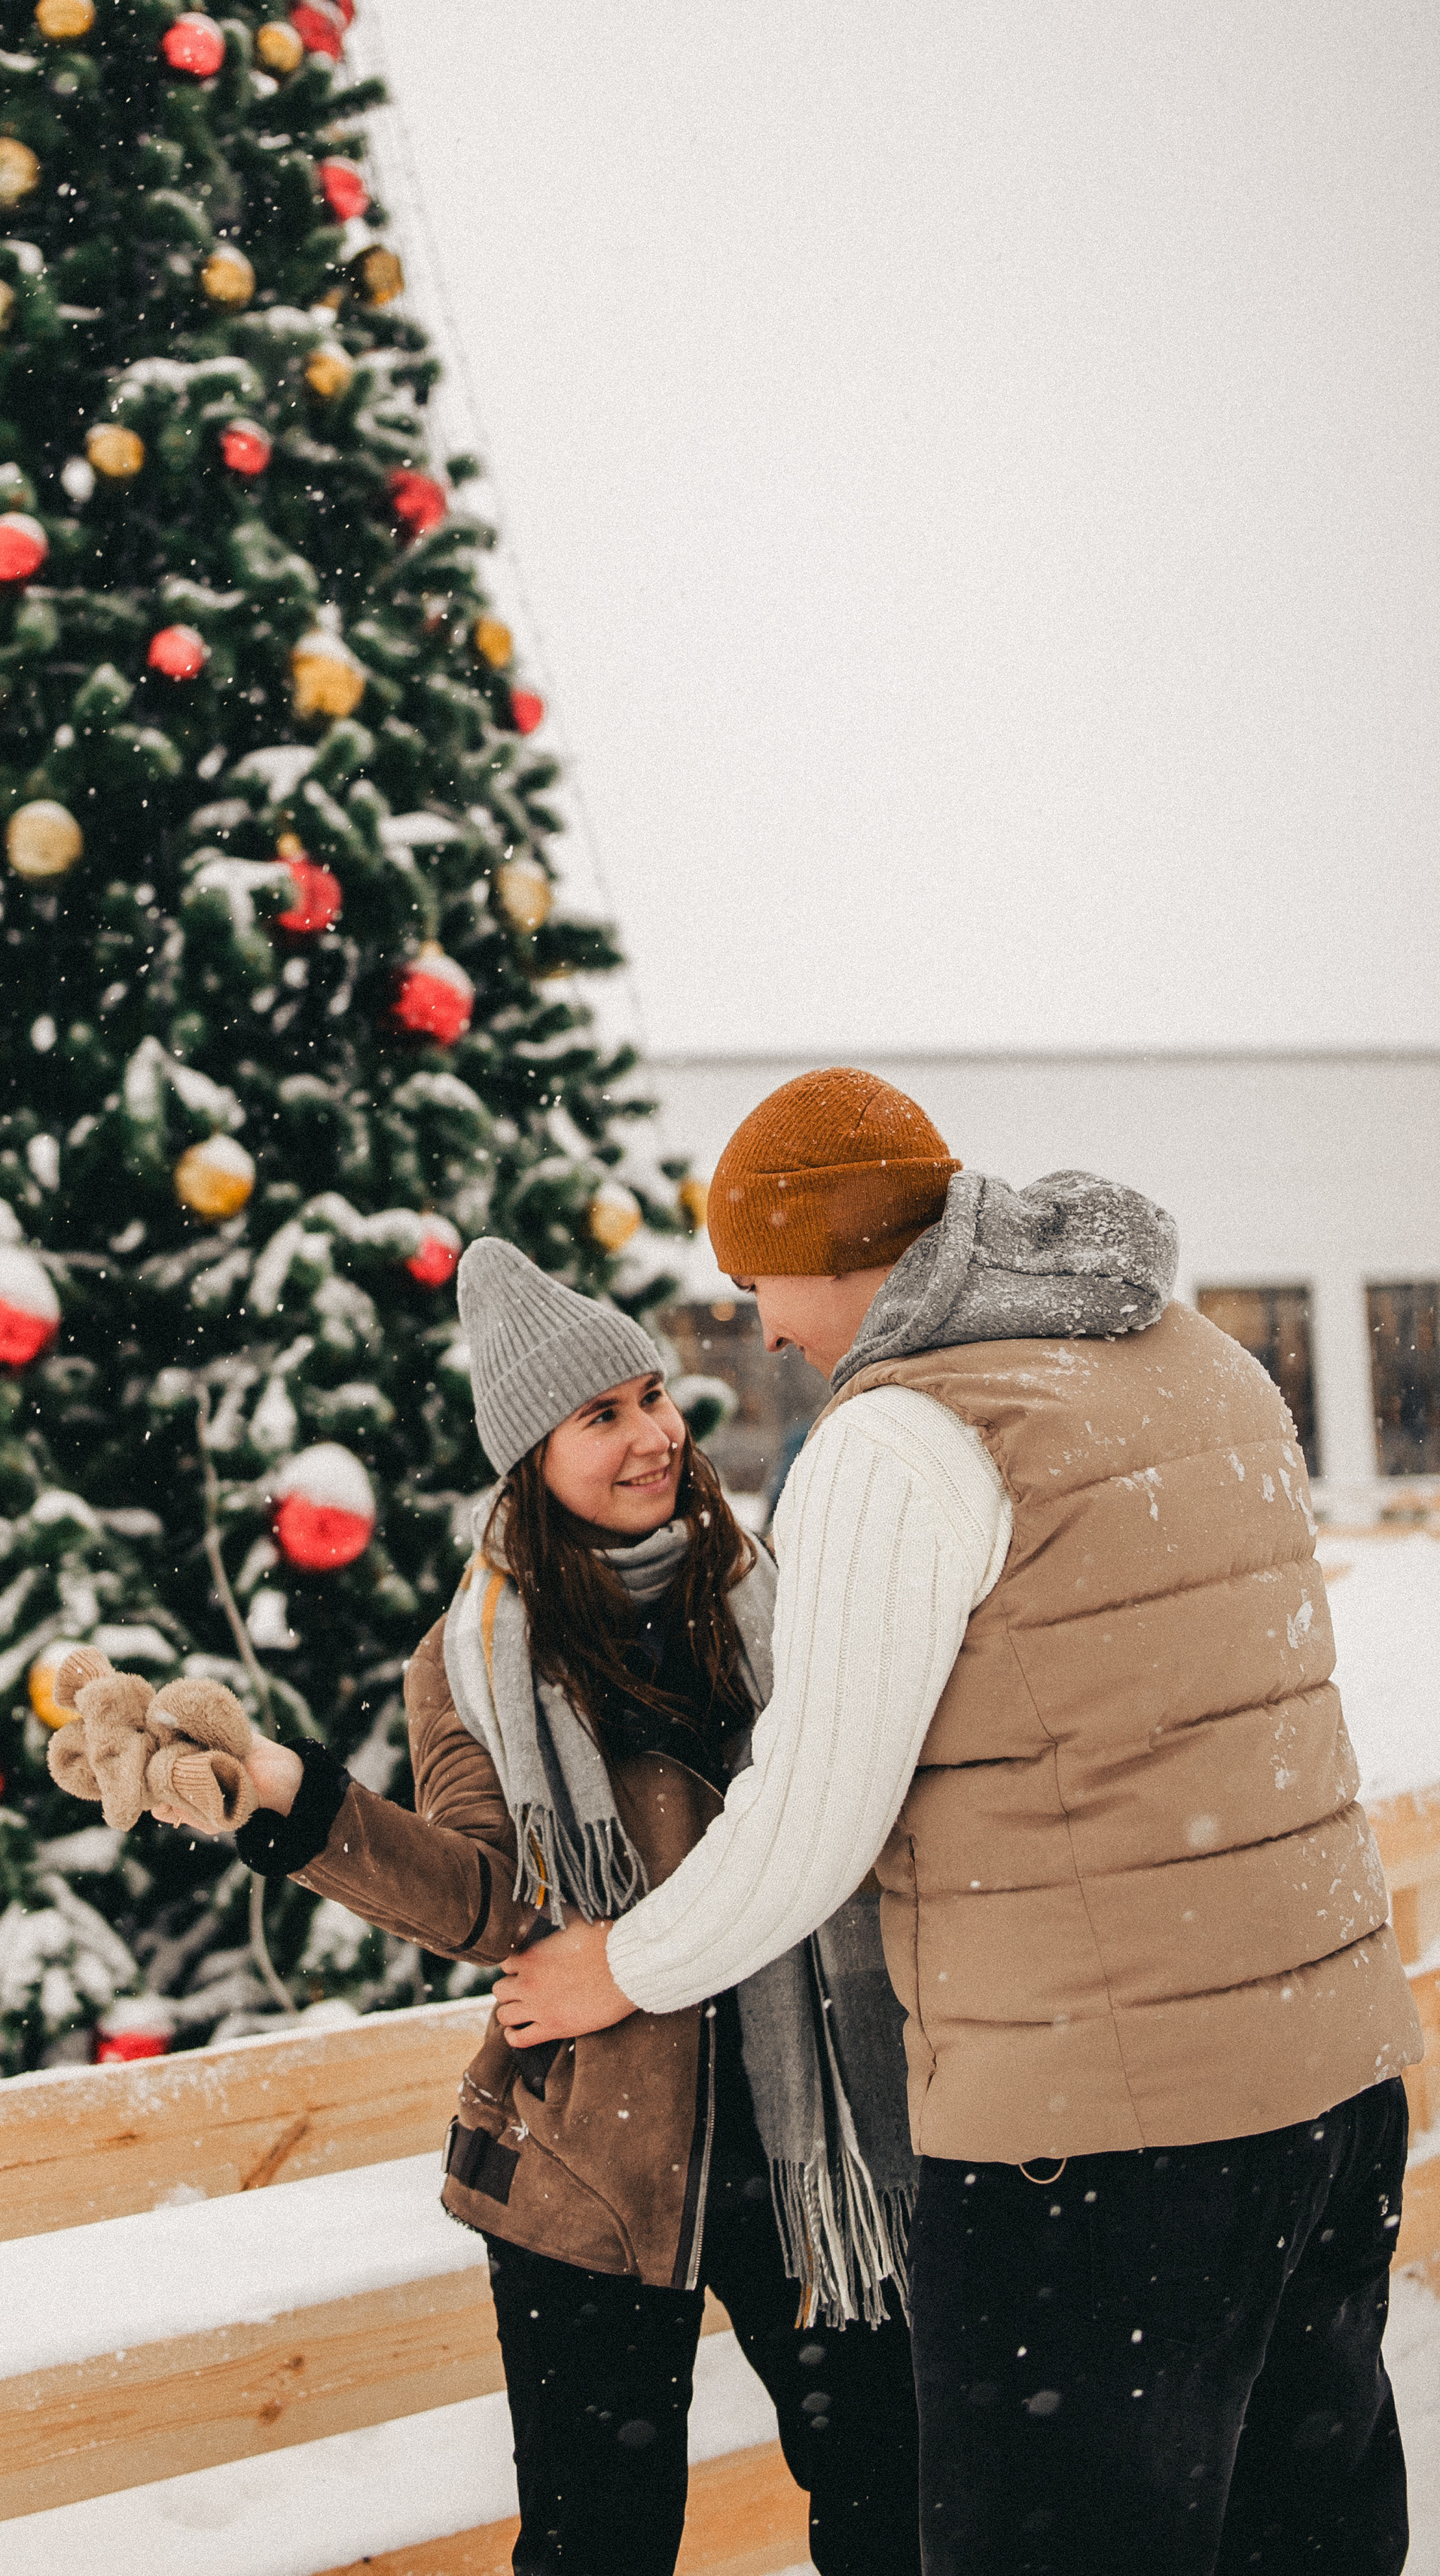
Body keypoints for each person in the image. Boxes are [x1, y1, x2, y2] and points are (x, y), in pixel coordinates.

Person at [493, 1068, 1425, 2576]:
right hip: (1326, 2092)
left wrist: (623, 1962)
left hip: (1100, 2140)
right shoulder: (1194, 1361)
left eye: (759, 1283)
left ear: (825, 1246)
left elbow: (809, 1819)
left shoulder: (900, 1438)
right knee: (1294, 2540)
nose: (769, 1331)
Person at [210, 1239, 923, 2576]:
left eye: (651, 1396)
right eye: (602, 1417)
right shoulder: (473, 1661)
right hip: (590, 2164)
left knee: (901, 2505)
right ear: (531, 1457)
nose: (654, 1436)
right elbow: (488, 1895)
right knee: (598, 2548)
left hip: (813, 2147)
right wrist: (291, 1801)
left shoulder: (768, 1592)